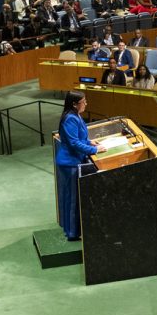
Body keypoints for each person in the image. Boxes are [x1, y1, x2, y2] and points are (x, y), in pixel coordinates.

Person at [55, 91, 106, 241]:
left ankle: (70, 229)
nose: (86, 104)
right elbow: (73, 143)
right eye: (83, 101)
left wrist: (90, 142)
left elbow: (79, 137)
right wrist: (94, 150)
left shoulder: (75, 115)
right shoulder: (70, 118)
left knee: (72, 197)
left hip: (73, 161)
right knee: (73, 199)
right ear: (74, 104)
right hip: (69, 163)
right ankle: (72, 233)